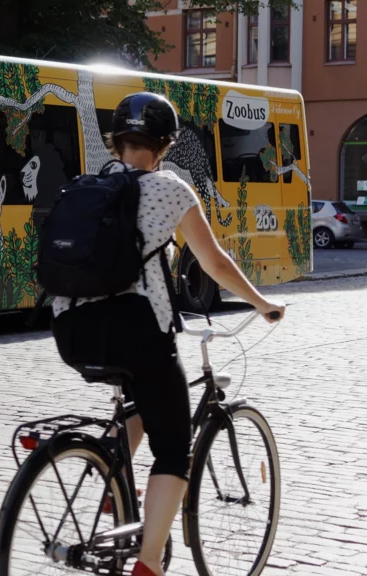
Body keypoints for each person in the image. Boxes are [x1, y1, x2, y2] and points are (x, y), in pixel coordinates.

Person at [49, 92, 285, 576]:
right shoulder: (171, 188)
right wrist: (262, 305)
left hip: (71, 330)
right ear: (166, 144)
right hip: (137, 331)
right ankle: (150, 564)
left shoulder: (85, 185)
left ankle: (116, 486)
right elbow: (215, 262)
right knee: (174, 448)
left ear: (116, 142)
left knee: (141, 401)